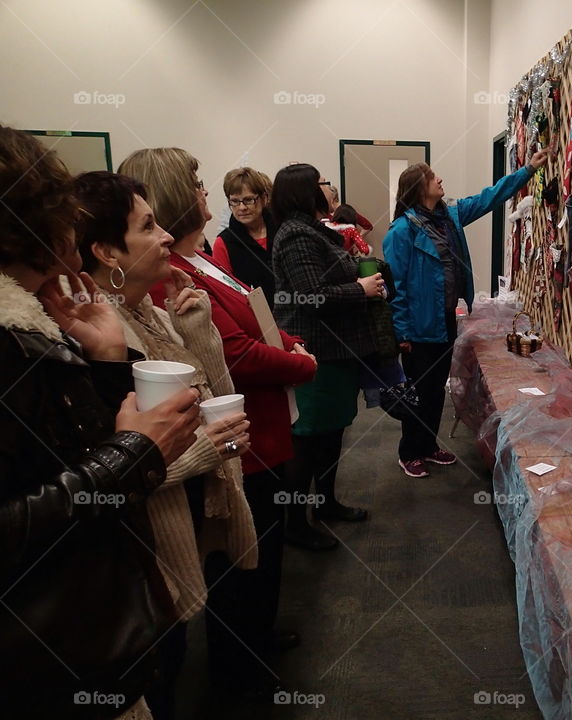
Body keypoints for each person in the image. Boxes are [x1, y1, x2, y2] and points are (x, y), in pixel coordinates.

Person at [0, 125, 201, 719]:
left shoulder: (36, 325)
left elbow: (80, 447)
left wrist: (109, 364)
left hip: (86, 632)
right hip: (50, 658)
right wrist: (135, 452)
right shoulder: (10, 341)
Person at [118, 148, 316, 700]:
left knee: (262, 559)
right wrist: (301, 362)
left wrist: (289, 346)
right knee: (239, 570)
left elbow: (250, 323)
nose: (207, 194)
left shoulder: (202, 256)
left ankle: (253, 648)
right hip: (232, 438)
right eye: (198, 183)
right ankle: (239, 673)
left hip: (253, 425)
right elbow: (234, 354)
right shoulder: (171, 273)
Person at [74, 171, 260, 719]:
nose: (163, 237)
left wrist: (200, 332)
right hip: (144, 549)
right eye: (147, 226)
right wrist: (204, 450)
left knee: (173, 665)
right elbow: (108, 465)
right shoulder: (94, 339)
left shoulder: (153, 315)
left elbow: (221, 399)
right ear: (107, 252)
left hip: (186, 522)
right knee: (157, 676)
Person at [384, 150, 548, 477]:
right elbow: (396, 287)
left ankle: (428, 446)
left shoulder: (451, 216)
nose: (440, 179)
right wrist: (400, 334)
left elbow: (490, 198)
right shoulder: (401, 231)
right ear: (419, 188)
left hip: (444, 320)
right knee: (418, 391)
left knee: (434, 390)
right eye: (433, 177)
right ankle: (409, 451)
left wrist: (527, 170)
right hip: (417, 327)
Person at [271, 164, 383, 544]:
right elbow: (311, 295)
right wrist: (360, 289)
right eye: (322, 182)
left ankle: (325, 503)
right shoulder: (295, 236)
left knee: (332, 432)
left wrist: (365, 275)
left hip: (337, 351)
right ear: (304, 191)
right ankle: (297, 526)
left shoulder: (314, 229)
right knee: (307, 438)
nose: (328, 187)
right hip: (316, 351)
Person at [212, 167, 279, 307]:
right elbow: (226, 294)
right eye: (235, 201)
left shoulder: (282, 229)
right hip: (254, 320)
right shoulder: (223, 243)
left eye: (248, 200)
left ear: (264, 198)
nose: (242, 208)